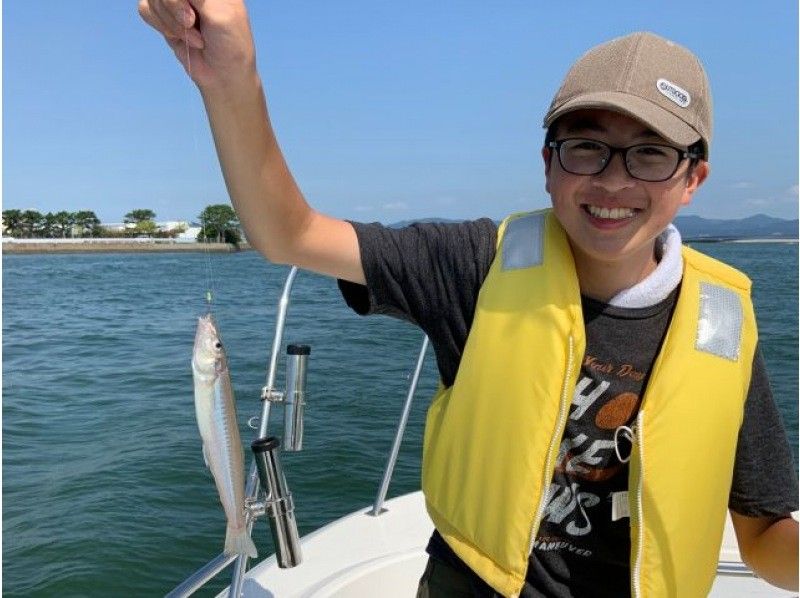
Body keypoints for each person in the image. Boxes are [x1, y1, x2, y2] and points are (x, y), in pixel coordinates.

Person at [139, 2, 799, 595]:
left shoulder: (722, 324)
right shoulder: (474, 266)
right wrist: (233, 79)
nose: (613, 181)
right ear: (547, 164)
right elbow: (290, 234)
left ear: (693, 179)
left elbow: (765, 539)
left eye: (650, 155)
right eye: (587, 148)